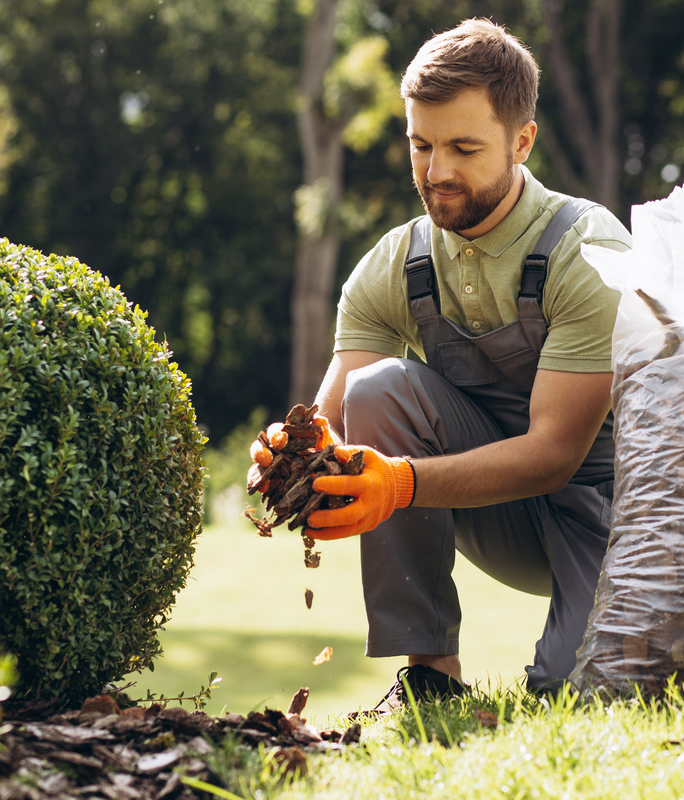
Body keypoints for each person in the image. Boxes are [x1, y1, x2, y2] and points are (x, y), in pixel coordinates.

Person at [252, 18, 631, 709]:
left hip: (606, 519)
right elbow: (336, 422)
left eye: (463, 147)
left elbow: (552, 455)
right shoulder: (396, 264)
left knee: (572, 690)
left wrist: (396, 485)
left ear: (522, 141)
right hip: (490, 511)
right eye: (420, 145)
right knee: (380, 388)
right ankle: (431, 678)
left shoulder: (588, 252)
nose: (436, 172)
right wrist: (292, 454)